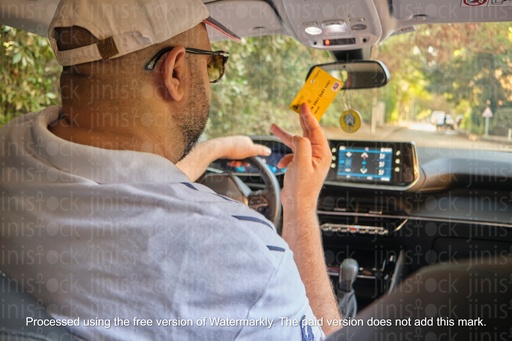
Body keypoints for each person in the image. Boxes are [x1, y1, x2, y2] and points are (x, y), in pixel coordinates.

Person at [0, 0, 340, 339]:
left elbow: (125, 183)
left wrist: (214, 149)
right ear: (175, 71)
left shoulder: (11, 148)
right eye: (212, 65)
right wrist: (300, 207)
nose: (211, 78)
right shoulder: (244, 257)